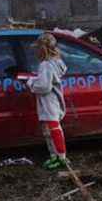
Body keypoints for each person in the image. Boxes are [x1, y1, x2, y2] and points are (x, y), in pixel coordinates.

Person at [26, 33, 69, 170]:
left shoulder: (45, 65)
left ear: (42, 49)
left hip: (48, 101)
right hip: (54, 100)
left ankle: (60, 157)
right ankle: (56, 155)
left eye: (37, 48)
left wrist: (30, 82)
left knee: (52, 128)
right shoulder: (57, 62)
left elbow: (44, 86)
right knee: (50, 129)